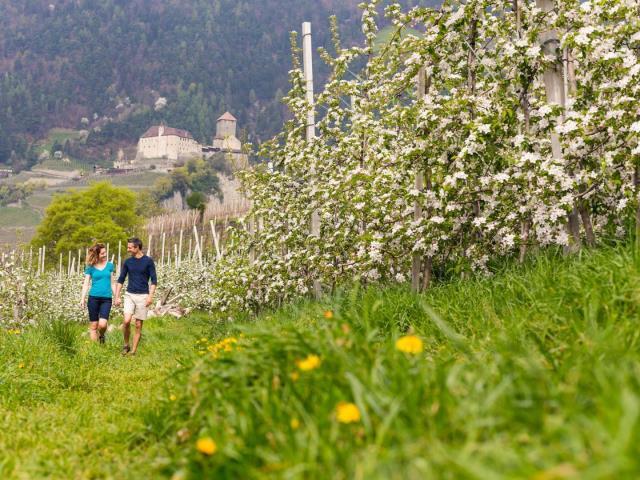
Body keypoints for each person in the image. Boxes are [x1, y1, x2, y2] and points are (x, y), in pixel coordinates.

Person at [114, 237, 157, 356]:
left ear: (137, 247)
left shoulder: (148, 261)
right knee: (126, 321)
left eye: (130, 247)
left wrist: (150, 296)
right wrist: (117, 296)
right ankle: (126, 344)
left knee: (138, 324)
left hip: (143, 295)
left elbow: (154, 280)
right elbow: (121, 279)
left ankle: (133, 351)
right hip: (130, 295)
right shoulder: (128, 262)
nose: (128, 249)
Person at [80, 243, 115, 344]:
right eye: (102, 253)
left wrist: (117, 297)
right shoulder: (90, 267)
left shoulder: (110, 266)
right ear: (96, 255)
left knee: (103, 324)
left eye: (105, 253)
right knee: (94, 326)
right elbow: (86, 284)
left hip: (106, 299)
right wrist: (82, 298)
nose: (105, 255)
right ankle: (95, 350)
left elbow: (113, 282)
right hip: (93, 298)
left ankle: (102, 335)